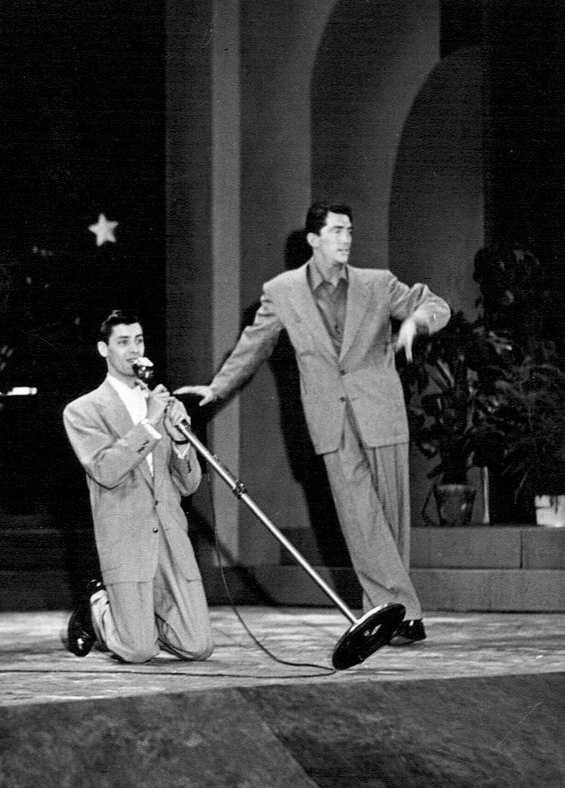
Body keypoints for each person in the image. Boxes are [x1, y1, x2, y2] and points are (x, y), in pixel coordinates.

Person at [176, 202, 450, 644]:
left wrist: (416, 323)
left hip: (381, 411)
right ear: (313, 239)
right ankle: (404, 610)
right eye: (337, 230)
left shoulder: (377, 283)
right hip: (330, 419)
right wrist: (216, 388)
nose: (346, 238)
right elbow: (253, 344)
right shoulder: (282, 291)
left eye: (349, 231)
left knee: (390, 516)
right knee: (360, 518)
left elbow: (432, 303)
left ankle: (388, 611)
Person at [63, 309, 213, 663]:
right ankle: (97, 607)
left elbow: (189, 484)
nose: (134, 350)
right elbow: (106, 470)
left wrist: (180, 443)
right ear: (104, 349)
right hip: (126, 540)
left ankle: (141, 620)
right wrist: (149, 421)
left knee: (198, 647)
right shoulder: (83, 411)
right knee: (138, 651)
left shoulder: (166, 403)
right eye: (123, 342)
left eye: (139, 340)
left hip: (170, 539)